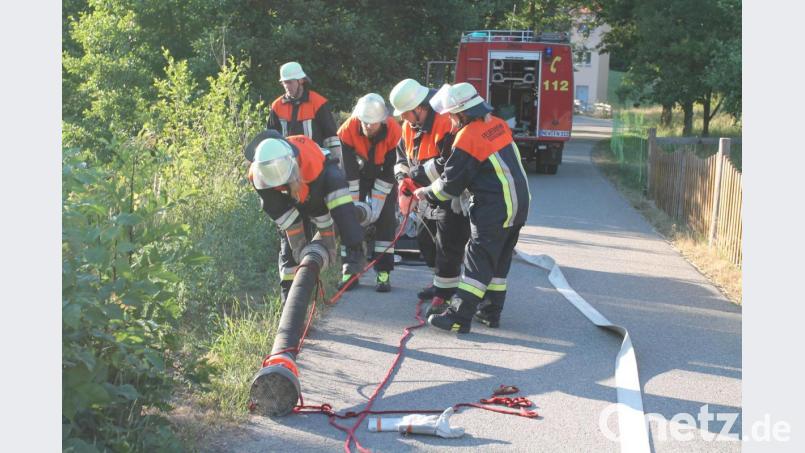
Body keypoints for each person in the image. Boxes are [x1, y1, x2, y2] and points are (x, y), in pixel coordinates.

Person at [415, 82, 530, 333]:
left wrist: (425, 192)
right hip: (519, 203)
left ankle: (458, 317)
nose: (450, 121)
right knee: (498, 260)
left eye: (452, 116)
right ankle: (490, 312)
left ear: (462, 114)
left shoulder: (468, 137)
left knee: (477, 260)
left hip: (494, 208)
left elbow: (450, 185)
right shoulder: (497, 124)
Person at [244, 129, 366, 303]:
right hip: (291, 185)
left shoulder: (309, 164)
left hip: (322, 172)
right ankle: (290, 300)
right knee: (289, 249)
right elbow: (283, 215)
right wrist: (298, 246)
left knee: (342, 207)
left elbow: (319, 210)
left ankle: (355, 253)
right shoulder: (258, 175)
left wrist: (328, 240)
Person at [389, 78, 471, 310]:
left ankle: (445, 295)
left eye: (405, 113)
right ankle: (440, 283)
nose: (403, 118)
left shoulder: (446, 122)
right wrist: (402, 179)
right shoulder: (409, 126)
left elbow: (448, 163)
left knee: (448, 245)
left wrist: (415, 175)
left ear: (419, 108)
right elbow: (402, 157)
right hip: (424, 194)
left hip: (449, 195)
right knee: (426, 242)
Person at [337, 94, 401, 292]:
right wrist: (355, 205)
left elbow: (391, 169)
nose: (368, 126)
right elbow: (349, 171)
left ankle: (383, 273)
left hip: (384, 176)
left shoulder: (394, 131)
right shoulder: (347, 130)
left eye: (373, 123)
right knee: (350, 219)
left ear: (382, 121)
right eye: (365, 122)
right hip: (357, 175)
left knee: (386, 220)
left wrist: (376, 207)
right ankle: (350, 271)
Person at [268, 62, 342, 164]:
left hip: (316, 160)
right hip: (288, 162)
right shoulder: (277, 106)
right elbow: (271, 138)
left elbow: (331, 138)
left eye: (290, 82)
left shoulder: (318, 103)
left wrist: (337, 163)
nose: (286, 86)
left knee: (334, 174)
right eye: (284, 83)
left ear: (301, 80)